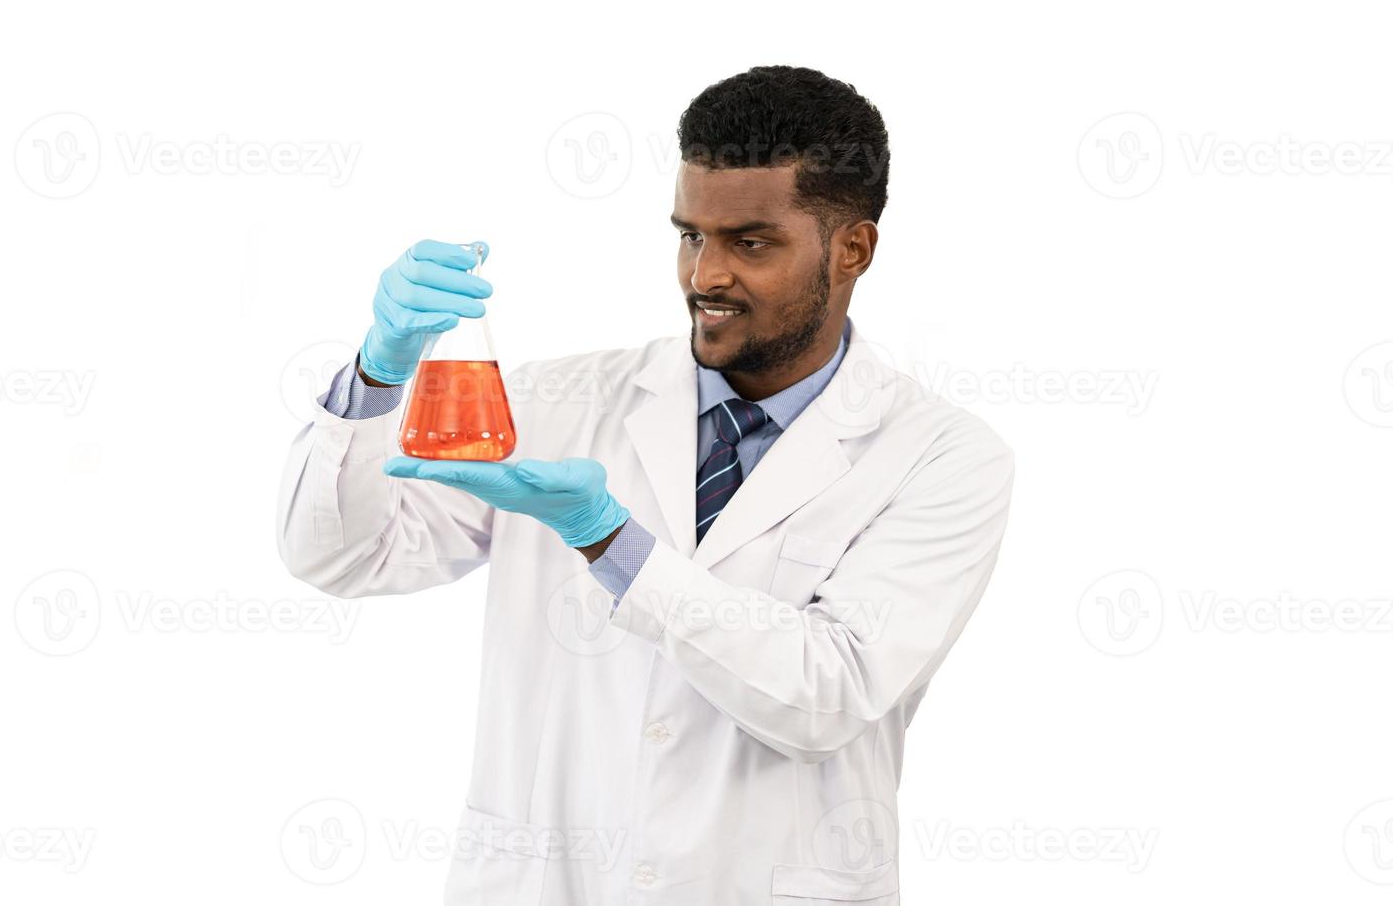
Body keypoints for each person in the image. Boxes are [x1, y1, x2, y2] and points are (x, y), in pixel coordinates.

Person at [277, 65, 1014, 906]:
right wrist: (379, 372)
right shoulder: (562, 401)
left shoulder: (945, 457)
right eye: (691, 235)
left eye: (751, 242)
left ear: (853, 249)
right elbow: (339, 557)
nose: (705, 275)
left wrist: (608, 539)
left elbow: (829, 696)